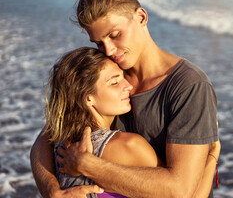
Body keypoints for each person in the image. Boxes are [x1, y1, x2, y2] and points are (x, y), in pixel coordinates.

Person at [30, 0, 219, 198]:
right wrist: (51, 191)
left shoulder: (188, 85)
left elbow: (179, 190)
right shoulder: (108, 73)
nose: (108, 50)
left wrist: (87, 165)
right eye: (99, 43)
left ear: (141, 17)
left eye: (115, 35)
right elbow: (46, 138)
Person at [43, 47, 220, 198]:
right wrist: (212, 155)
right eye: (114, 82)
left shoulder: (60, 144)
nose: (127, 86)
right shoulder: (128, 146)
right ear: (88, 99)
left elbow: (40, 144)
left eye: (122, 77)